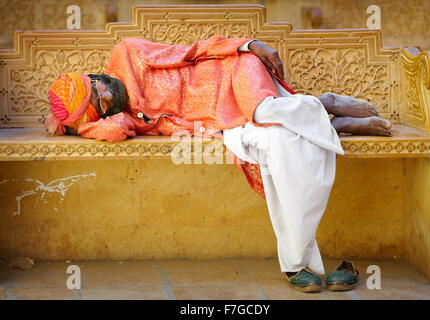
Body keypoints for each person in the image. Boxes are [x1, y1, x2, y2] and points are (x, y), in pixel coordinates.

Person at [44, 36, 393, 293]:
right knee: (279, 148)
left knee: (264, 111)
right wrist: (78, 121)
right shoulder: (125, 118)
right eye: (98, 105)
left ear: (92, 76)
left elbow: (192, 51)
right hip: (228, 123)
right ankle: (330, 126)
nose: (106, 96)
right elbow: (112, 132)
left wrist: (250, 46)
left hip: (236, 74)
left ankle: (323, 105)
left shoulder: (128, 54)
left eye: (96, 88)